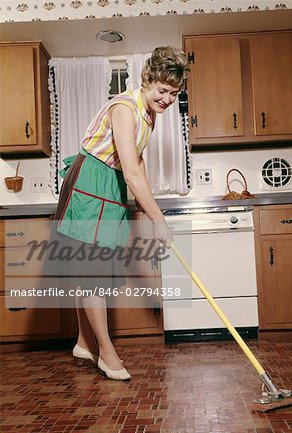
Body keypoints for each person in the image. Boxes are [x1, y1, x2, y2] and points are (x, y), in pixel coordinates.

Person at [52, 47, 190, 381]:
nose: (168, 99)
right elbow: (130, 170)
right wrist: (159, 220)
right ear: (147, 80)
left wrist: (148, 205)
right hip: (91, 184)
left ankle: (84, 342)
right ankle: (106, 354)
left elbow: (137, 164)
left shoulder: (149, 114)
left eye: (174, 94)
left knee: (91, 271)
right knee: (91, 273)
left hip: (110, 187)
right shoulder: (125, 108)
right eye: (163, 91)